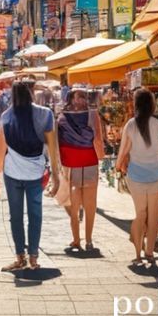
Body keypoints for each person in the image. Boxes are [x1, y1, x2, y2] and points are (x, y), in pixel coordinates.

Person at [0, 81, 60, 271]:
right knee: (35, 215)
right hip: (35, 173)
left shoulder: (6, 117)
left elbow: (0, 151)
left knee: (15, 216)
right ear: (31, 93)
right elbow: (52, 147)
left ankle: (19, 257)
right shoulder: (45, 114)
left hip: (12, 173)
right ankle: (33, 257)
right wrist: (56, 174)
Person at [116, 88, 158, 265]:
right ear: (152, 105)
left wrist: (118, 167)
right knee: (153, 216)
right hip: (154, 175)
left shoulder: (130, 125)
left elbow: (123, 150)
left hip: (136, 176)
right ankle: (150, 252)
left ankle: (138, 252)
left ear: (136, 105)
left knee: (140, 213)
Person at [57, 88, 105, 251]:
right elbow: (98, 139)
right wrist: (102, 156)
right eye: (81, 97)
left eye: (83, 97)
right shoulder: (93, 115)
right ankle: (89, 240)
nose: (81, 100)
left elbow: (59, 142)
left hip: (70, 164)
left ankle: (77, 239)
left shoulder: (61, 117)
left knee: (73, 203)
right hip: (89, 161)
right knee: (90, 203)